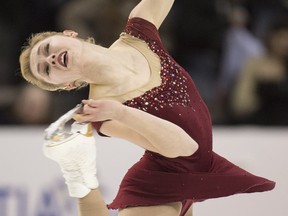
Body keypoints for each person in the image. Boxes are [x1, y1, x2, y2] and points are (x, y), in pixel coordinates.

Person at [19, 1, 275, 215]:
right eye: (46, 69)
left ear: (69, 34)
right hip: (160, 185)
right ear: (66, 85)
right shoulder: (105, 112)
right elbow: (183, 148)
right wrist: (121, 112)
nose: (50, 59)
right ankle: (77, 174)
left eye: (47, 49)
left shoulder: (140, 32)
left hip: (187, 175)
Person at [231, 17, 288, 125]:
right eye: (282, 37)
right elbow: (241, 103)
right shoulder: (254, 65)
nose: (285, 43)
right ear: (271, 38)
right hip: (260, 124)